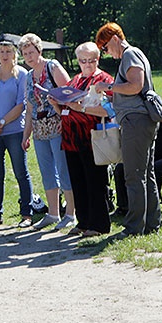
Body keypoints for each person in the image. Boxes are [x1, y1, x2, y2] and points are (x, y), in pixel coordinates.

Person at [94, 22, 161, 237]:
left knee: (133, 175)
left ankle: (134, 227)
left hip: (136, 121)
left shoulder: (130, 55)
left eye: (105, 48)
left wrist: (108, 87)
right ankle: (151, 223)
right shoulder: (134, 54)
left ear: (114, 38)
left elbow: (135, 85)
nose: (106, 53)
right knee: (146, 173)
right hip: (142, 120)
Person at [51, 42, 114, 237]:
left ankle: (99, 224)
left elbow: (109, 109)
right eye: (82, 61)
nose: (87, 64)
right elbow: (65, 110)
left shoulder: (104, 80)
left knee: (95, 182)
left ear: (98, 59)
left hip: (93, 137)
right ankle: (83, 221)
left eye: (91, 60)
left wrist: (82, 108)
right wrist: (56, 103)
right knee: (78, 182)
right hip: (71, 138)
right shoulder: (75, 80)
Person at [18, 33, 75, 231]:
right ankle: (53, 213)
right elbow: (30, 107)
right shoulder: (27, 76)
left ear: (39, 50)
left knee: (63, 168)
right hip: (39, 129)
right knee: (47, 172)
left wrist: (64, 118)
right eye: (25, 54)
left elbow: (70, 94)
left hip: (57, 124)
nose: (29, 57)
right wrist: (26, 136)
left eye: (31, 52)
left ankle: (71, 214)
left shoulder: (52, 67)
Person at [0, 34, 35, 228]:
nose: (5, 54)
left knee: (21, 172)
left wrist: (2, 122)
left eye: (9, 51)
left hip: (14, 131)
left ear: (15, 54)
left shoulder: (22, 74)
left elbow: (22, 104)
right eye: (1, 51)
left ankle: (27, 213)